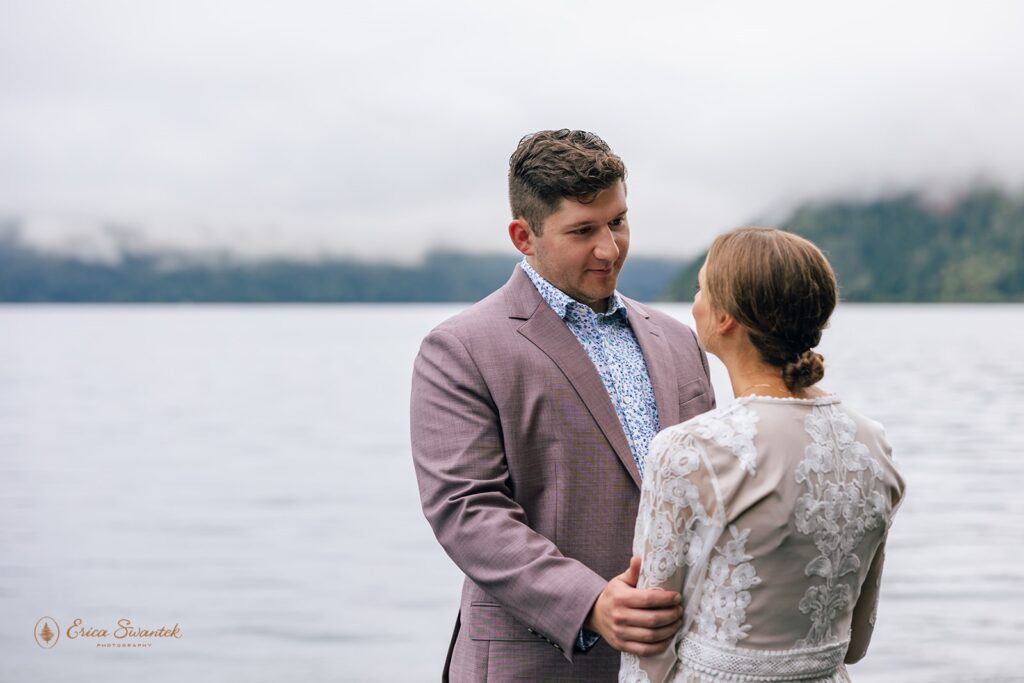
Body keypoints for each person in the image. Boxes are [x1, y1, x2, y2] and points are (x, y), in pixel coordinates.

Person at [410, 129, 716, 681]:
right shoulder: (459, 349)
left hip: (681, 660)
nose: (610, 247)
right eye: (583, 231)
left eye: (618, 221)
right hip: (534, 661)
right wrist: (591, 603)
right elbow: (466, 510)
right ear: (522, 236)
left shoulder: (678, 339)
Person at [620, 227, 906, 683]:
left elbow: (647, 645)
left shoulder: (688, 449)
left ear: (726, 316)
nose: (695, 302)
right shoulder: (874, 443)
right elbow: (855, 644)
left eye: (701, 287)